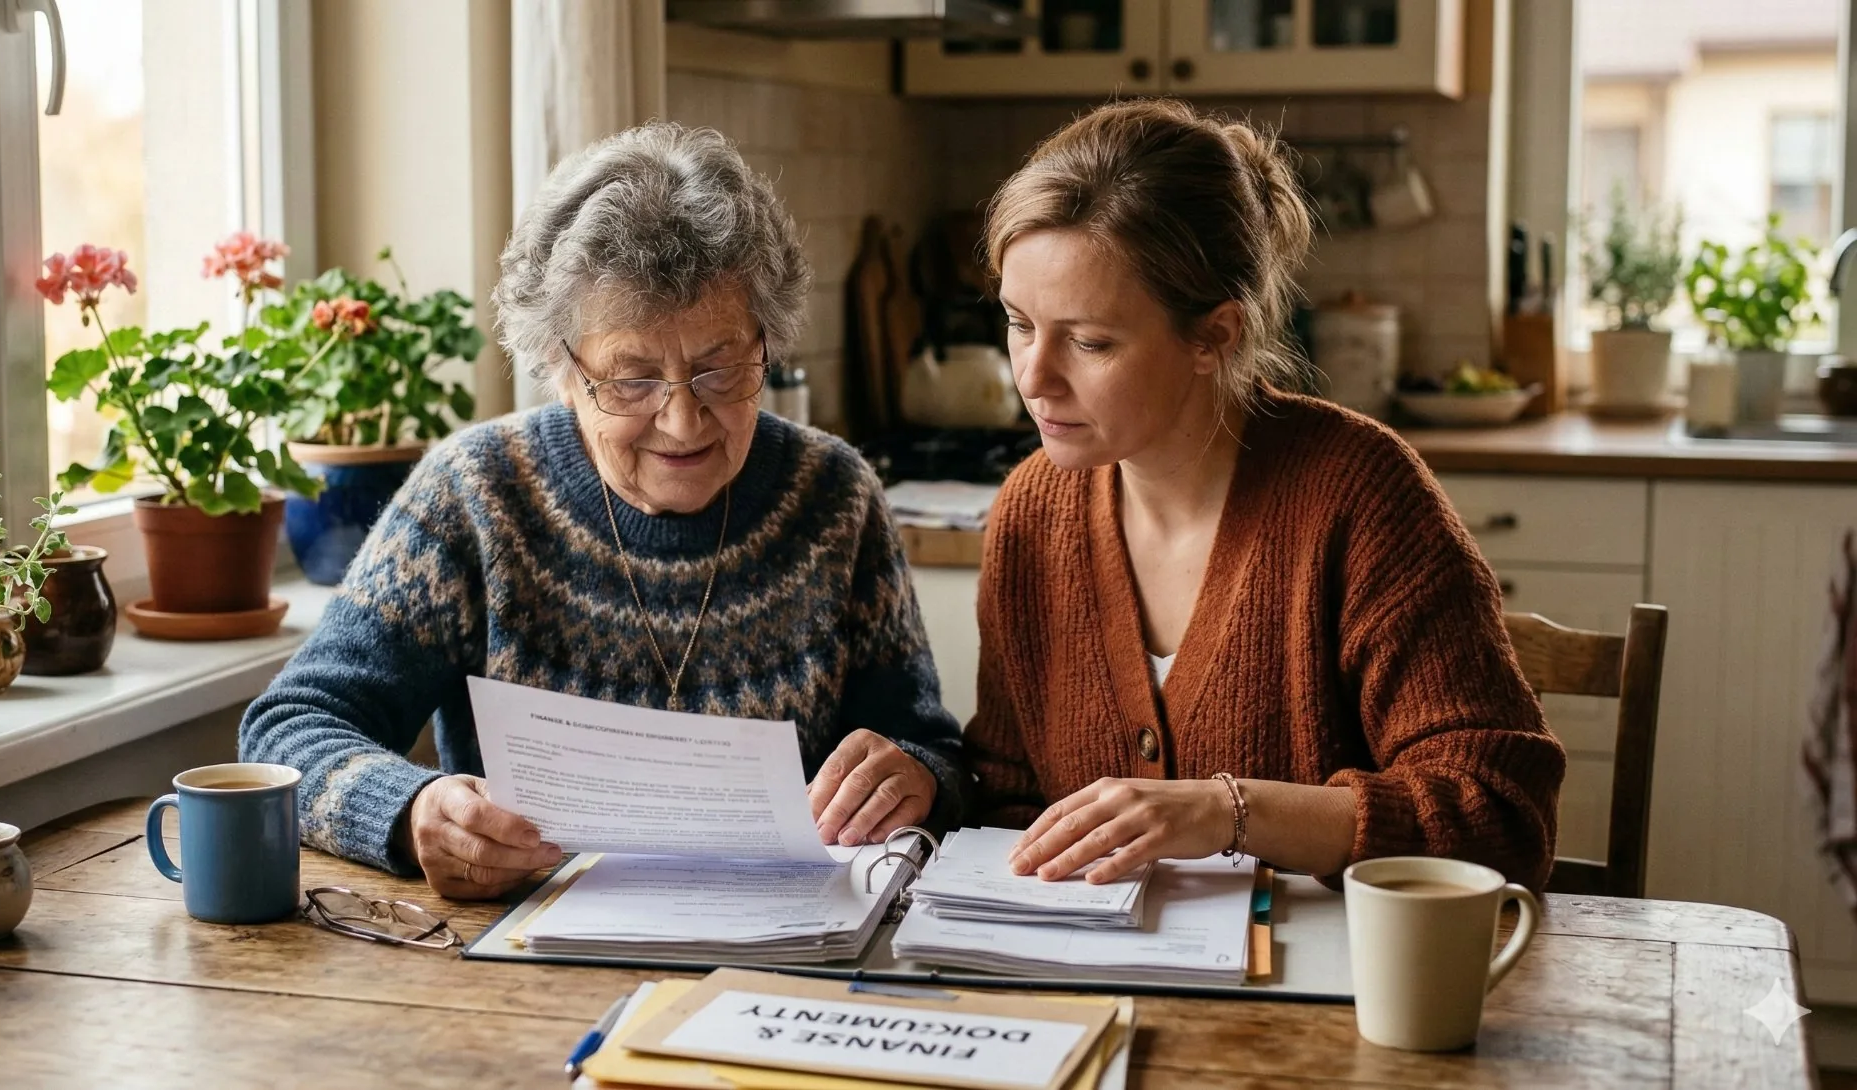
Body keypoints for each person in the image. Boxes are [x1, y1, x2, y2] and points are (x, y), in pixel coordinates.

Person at [241, 122, 962, 900]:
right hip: (521, 944)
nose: (682, 422)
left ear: (767, 343)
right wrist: (411, 808)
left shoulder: (835, 497)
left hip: (786, 945)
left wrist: (919, 776)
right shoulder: (474, 494)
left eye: (721, 370)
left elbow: (936, 754)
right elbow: (286, 731)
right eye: (631, 379)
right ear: (560, 367)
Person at [968, 99, 1565, 891]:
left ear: (1215, 335)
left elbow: (1502, 819)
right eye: (1018, 323)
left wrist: (1232, 812)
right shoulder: (1031, 511)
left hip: (1325, 972)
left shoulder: (1359, 496)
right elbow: (1004, 798)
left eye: (1089, 341)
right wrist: (918, 772)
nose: (1033, 377)